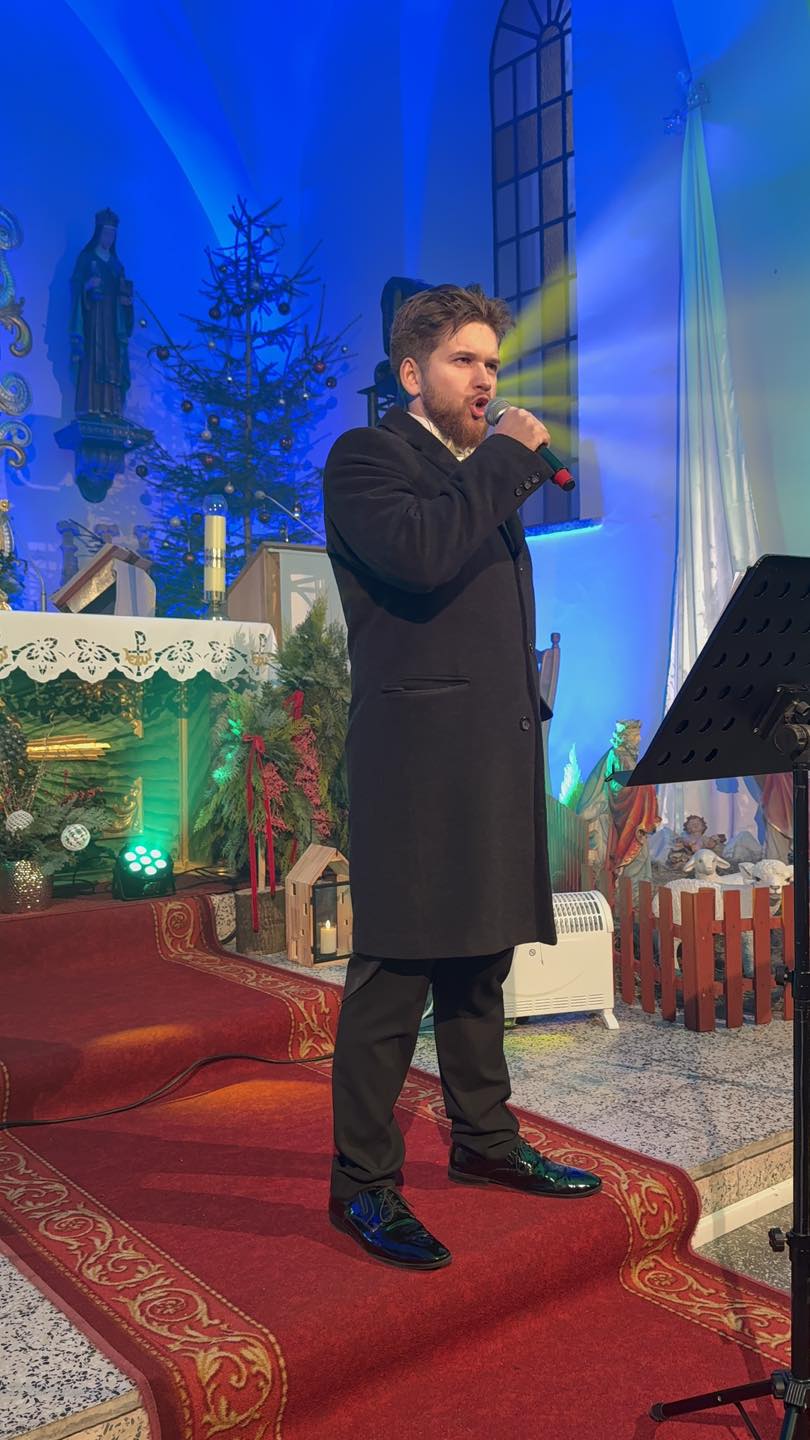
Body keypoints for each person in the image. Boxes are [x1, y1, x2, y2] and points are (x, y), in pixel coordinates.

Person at [322, 285, 600, 1272]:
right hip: (413, 763)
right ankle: (362, 1184)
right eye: (464, 361)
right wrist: (508, 459)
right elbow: (422, 555)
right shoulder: (367, 459)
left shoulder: (476, 475)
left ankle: (484, 1140)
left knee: (481, 962)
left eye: (492, 363)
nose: (486, 378)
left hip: (489, 751)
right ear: (412, 373)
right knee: (395, 977)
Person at [70, 208, 133, 417]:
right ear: (98, 233)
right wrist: (87, 286)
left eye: (112, 234)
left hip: (113, 321)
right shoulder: (86, 258)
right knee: (94, 358)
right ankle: (91, 406)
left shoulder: (117, 265)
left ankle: (112, 408)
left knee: (113, 360)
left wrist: (126, 303)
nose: (109, 238)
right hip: (94, 317)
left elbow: (123, 291)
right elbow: (76, 286)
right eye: (106, 233)